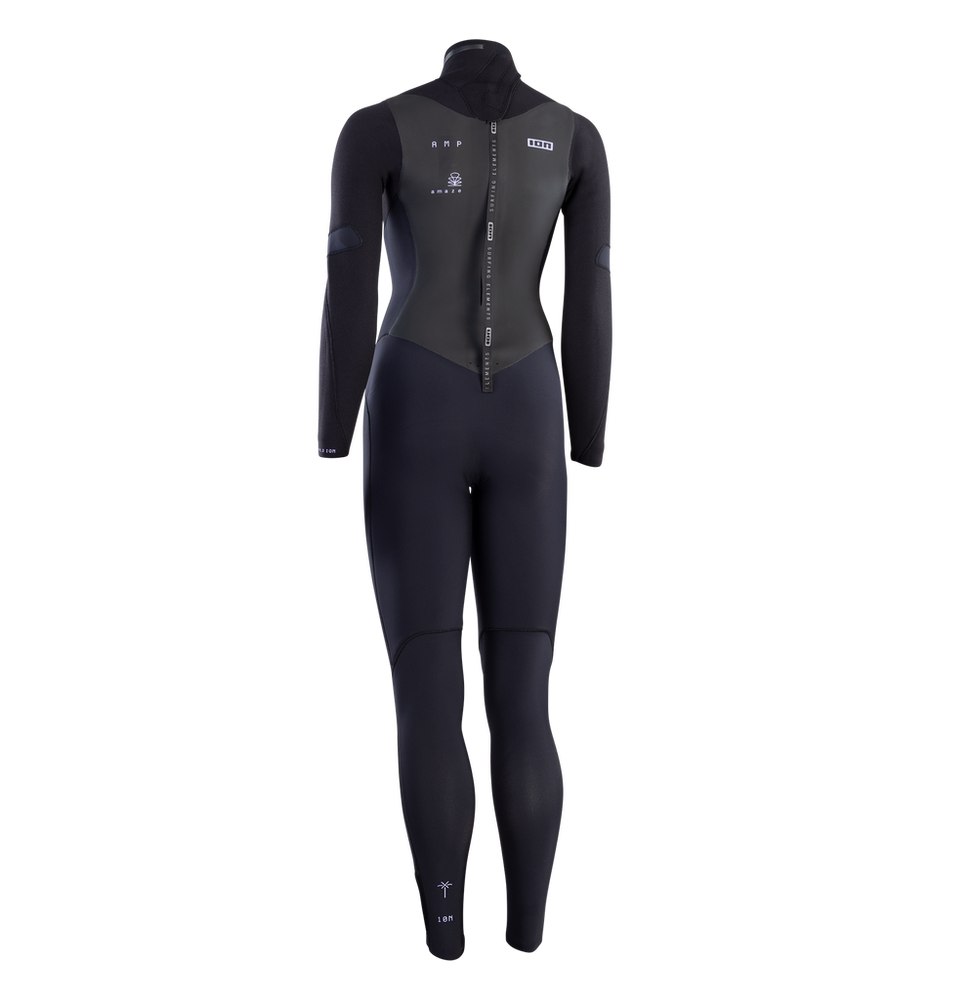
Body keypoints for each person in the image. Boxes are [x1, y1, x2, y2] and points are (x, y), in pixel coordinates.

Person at [312, 34, 616, 963]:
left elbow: (349, 283)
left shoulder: (376, 126)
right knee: (527, 698)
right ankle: (530, 934)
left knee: (427, 694)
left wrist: (332, 430)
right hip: (531, 417)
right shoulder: (577, 134)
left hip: (414, 408)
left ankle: (445, 937)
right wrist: (590, 440)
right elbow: (592, 301)